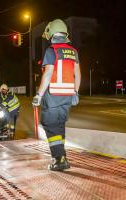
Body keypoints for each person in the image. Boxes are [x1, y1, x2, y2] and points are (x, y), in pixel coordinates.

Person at [32, 19, 81, 171]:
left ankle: (59, 160)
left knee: (50, 125)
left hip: (53, 94)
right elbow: (77, 74)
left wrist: (39, 95)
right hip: (67, 95)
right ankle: (62, 156)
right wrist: (75, 92)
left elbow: (47, 74)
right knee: (59, 125)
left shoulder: (51, 51)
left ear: (51, 33)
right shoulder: (73, 52)